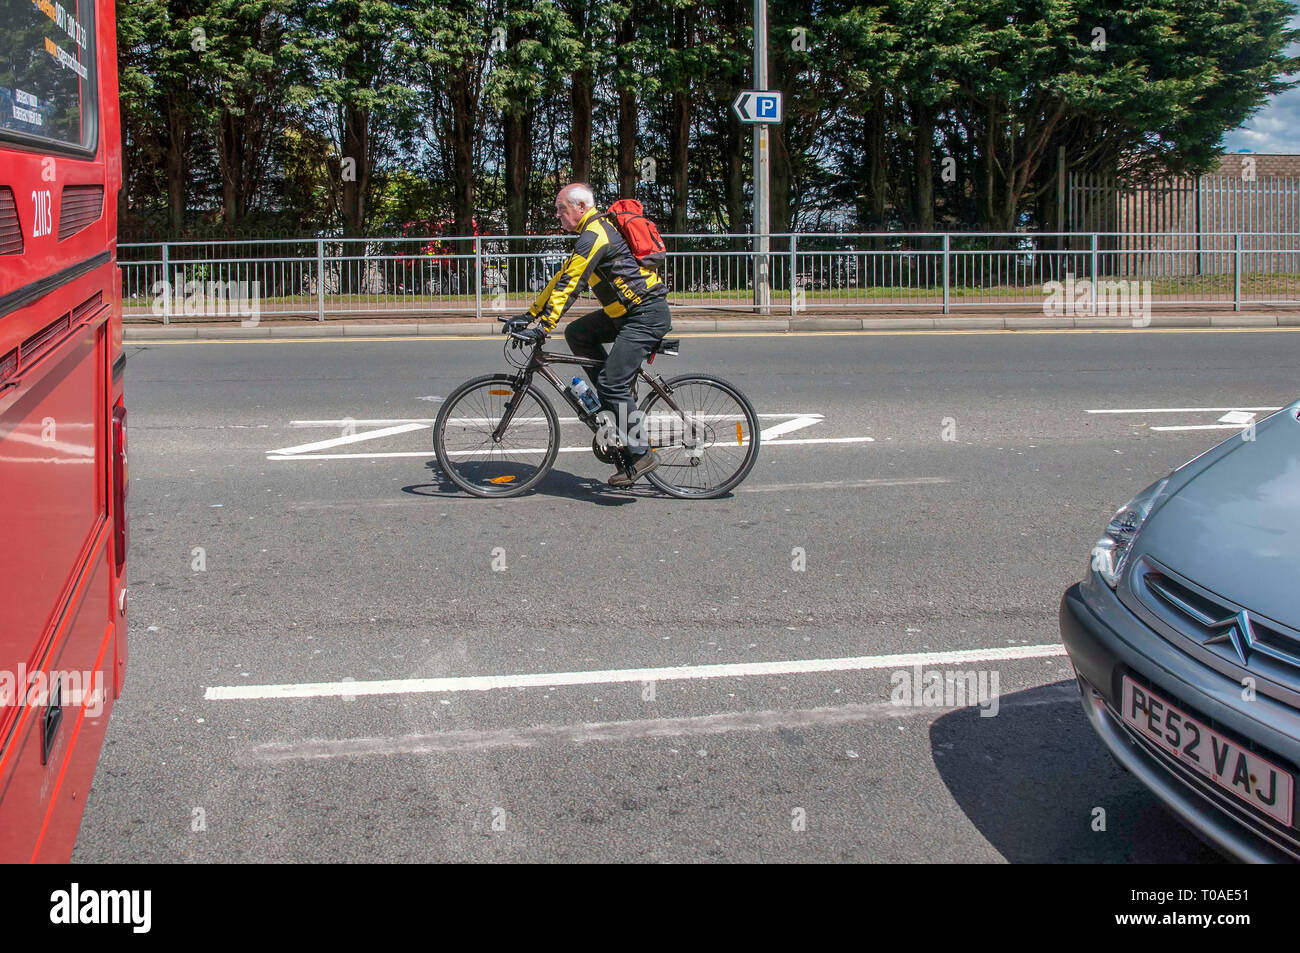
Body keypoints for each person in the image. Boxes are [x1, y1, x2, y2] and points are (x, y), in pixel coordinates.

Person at [505, 183, 671, 486]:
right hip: (624, 314)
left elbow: (572, 283)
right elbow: (562, 276)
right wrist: (530, 314)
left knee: (611, 383)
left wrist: (543, 327)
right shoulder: (589, 235)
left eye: (561, 208)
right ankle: (613, 403)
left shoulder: (595, 235)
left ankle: (642, 451)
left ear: (581, 207)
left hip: (645, 314)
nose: (557, 215)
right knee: (579, 334)